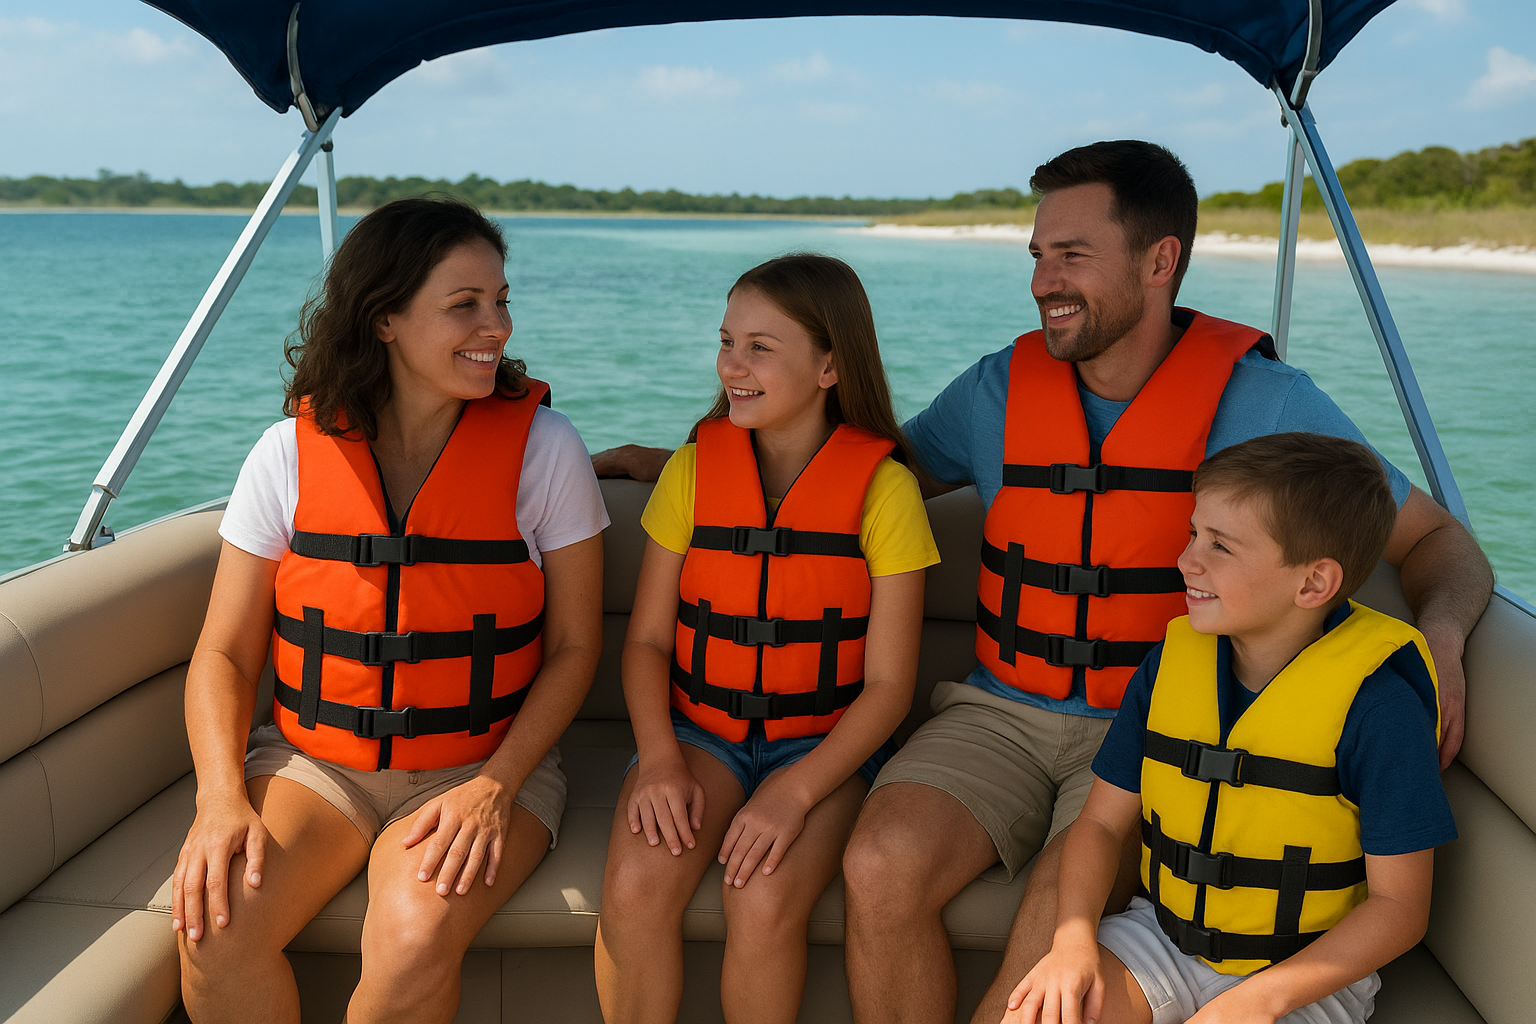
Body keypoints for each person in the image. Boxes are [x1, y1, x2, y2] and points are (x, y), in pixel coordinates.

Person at [589, 140, 1491, 1024]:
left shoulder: (1270, 402)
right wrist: (681, 461)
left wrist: (1443, 637)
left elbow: (1441, 543)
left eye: (1071, 254)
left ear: (1159, 260)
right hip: (998, 712)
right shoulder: (996, 389)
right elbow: (838, 474)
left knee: (1051, 918)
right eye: (1036, 255)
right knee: (880, 863)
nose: (1042, 280)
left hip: (1153, 724)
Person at [172, 196, 607, 1024]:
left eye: (502, 300)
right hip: (314, 764)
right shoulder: (286, 455)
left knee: (411, 942)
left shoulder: (547, 451)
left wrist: (495, 786)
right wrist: (221, 799)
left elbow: (577, 647)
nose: (499, 326)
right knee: (214, 929)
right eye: (465, 305)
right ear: (385, 320)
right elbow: (224, 653)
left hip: (479, 764)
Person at [1004, 431, 1454, 1024]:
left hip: (1303, 975)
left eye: (1220, 546)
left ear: (1313, 583)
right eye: (1194, 533)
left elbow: (1400, 908)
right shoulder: (1170, 664)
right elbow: (1100, 826)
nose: (1186, 560)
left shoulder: (1380, 709)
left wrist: (1258, 1000)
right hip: (1160, 939)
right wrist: (1072, 941)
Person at [593, 253, 938, 1024]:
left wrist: (797, 789)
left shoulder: (887, 493)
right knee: (636, 885)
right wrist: (657, 760)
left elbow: (888, 688)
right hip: (698, 736)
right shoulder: (689, 474)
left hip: (822, 750)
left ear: (828, 367)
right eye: (726, 341)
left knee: (765, 896)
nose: (731, 366)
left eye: (760, 347)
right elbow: (647, 643)